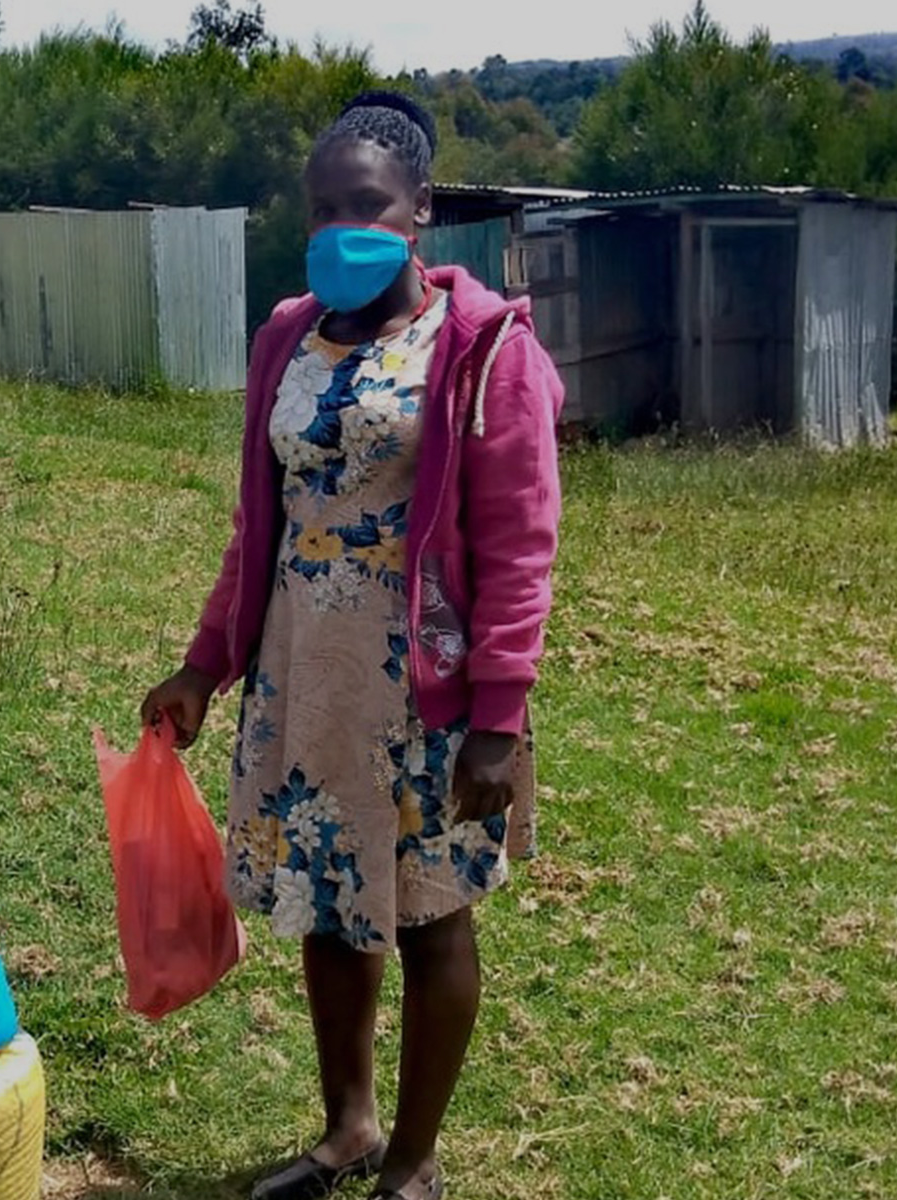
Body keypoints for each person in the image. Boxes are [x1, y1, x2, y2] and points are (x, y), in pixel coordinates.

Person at [141, 92, 563, 1200]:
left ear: (419, 208)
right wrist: (203, 663)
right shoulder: (286, 335)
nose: (340, 228)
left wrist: (497, 719)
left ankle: (412, 1162)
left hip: (424, 690)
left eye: (364, 205)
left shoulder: (480, 351)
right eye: (321, 209)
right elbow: (260, 522)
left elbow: (521, 547)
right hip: (305, 674)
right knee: (327, 901)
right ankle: (345, 1130)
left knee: (426, 912)